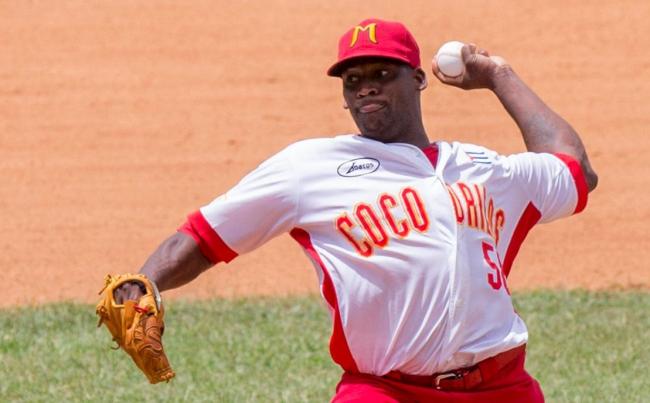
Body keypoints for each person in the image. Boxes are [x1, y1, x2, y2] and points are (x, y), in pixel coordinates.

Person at [113, 18, 597, 402]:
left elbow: (574, 169)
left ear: (418, 80)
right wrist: (143, 281)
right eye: (353, 79)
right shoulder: (310, 166)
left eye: (382, 74)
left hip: (499, 387)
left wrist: (497, 75)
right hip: (384, 391)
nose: (365, 87)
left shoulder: (484, 168)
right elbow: (202, 236)